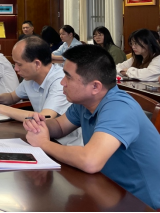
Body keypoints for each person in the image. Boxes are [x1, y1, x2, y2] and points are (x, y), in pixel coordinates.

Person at [23, 45, 160, 209]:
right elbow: (59, 126)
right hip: (107, 189)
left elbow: (89, 161)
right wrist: (39, 125)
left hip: (142, 204)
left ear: (95, 86)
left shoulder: (119, 108)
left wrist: (43, 143)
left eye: (68, 77)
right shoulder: (85, 102)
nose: (62, 82)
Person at [0, 37, 82, 146]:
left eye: (19, 64)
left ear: (37, 64)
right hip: (41, 137)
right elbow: (12, 97)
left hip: (65, 144)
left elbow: (44, 118)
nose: (16, 69)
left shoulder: (61, 82)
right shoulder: (30, 78)